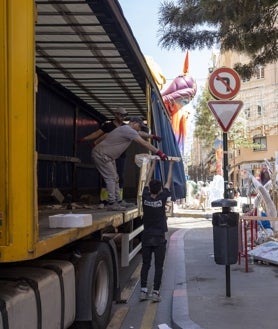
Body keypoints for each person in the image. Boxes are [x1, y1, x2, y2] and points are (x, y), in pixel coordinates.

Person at [79, 108, 161, 207]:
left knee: (116, 178)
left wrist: (152, 136)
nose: (140, 128)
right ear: (134, 123)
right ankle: (112, 203)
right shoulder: (127, 130)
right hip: (102, 155)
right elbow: (143, 143)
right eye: (139, 126)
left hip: (108, 156)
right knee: (111, 178)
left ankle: (118, 200)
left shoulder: (127, 129)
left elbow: (141, 134)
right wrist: (159, 152)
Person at [139, 158, 174, 302]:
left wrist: (153, 163)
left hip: (146, 237)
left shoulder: (145, 197)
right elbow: (169, 181)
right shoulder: (162, 198)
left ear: (149, 189)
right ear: (160, 190)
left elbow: (147, 180)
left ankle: (143, 291)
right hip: (159, 238)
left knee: (145, 265)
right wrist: (170, 164)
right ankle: (155, 292)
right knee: (158, 266)